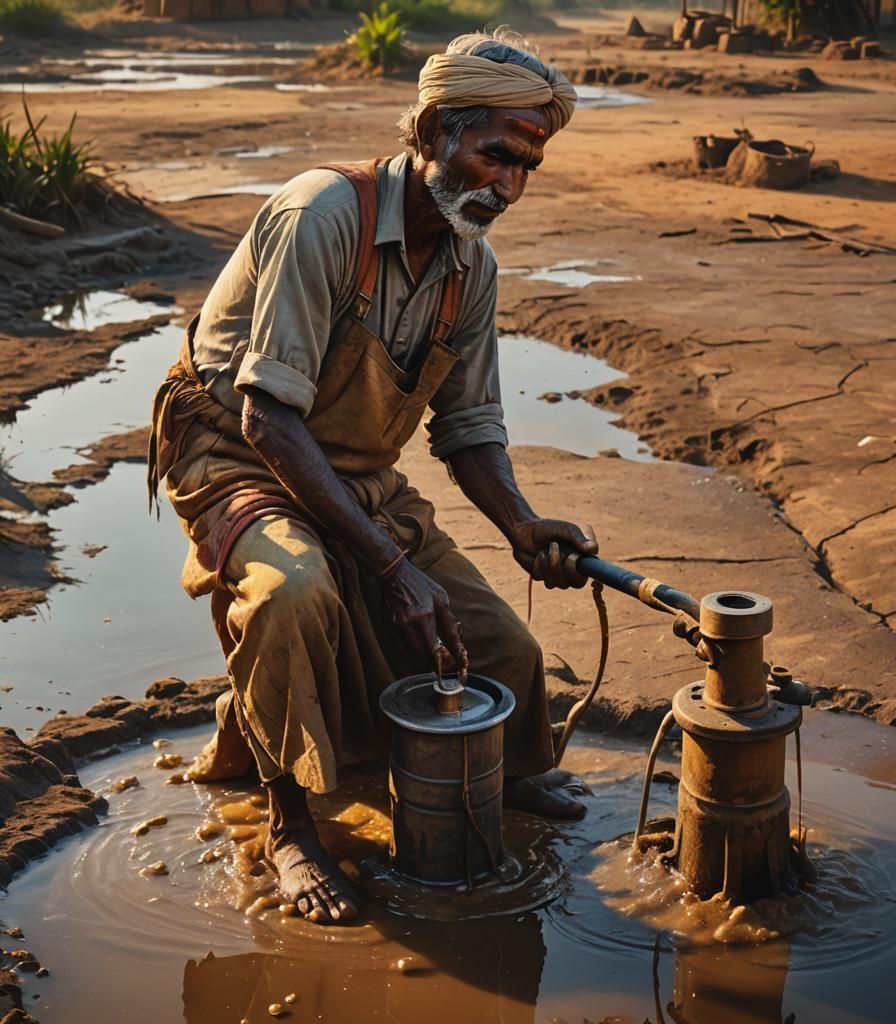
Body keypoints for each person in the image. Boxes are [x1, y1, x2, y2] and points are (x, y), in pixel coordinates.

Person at [148, 28, 596, 925]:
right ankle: (290, 827)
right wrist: (392, 570)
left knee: (504, 651)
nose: (506, 186)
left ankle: (501, 771)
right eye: (495, 154)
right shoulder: (324, 215)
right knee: (293, 594)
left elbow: (468, 430)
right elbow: (266, 415)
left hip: (355, 467)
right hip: (233, 448)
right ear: (433, 129)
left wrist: (523, 526)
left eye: (525, 168)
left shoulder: (473, 267)